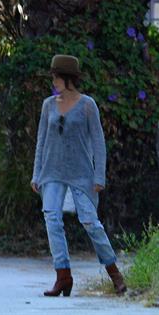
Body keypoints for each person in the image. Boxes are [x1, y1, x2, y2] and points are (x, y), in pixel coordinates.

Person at [31, 54, 126, 297]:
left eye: (55, 76)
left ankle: (115, 273)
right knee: (52, 220)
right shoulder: (48, 105)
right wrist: (37, 174)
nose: (53, 80)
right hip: (51, 173)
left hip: (81, 174)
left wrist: (99, 177)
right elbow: (41, 141)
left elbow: (98, 142)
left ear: (66, 78)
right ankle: (63, 276)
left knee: (90, 223)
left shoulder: (87, 105)